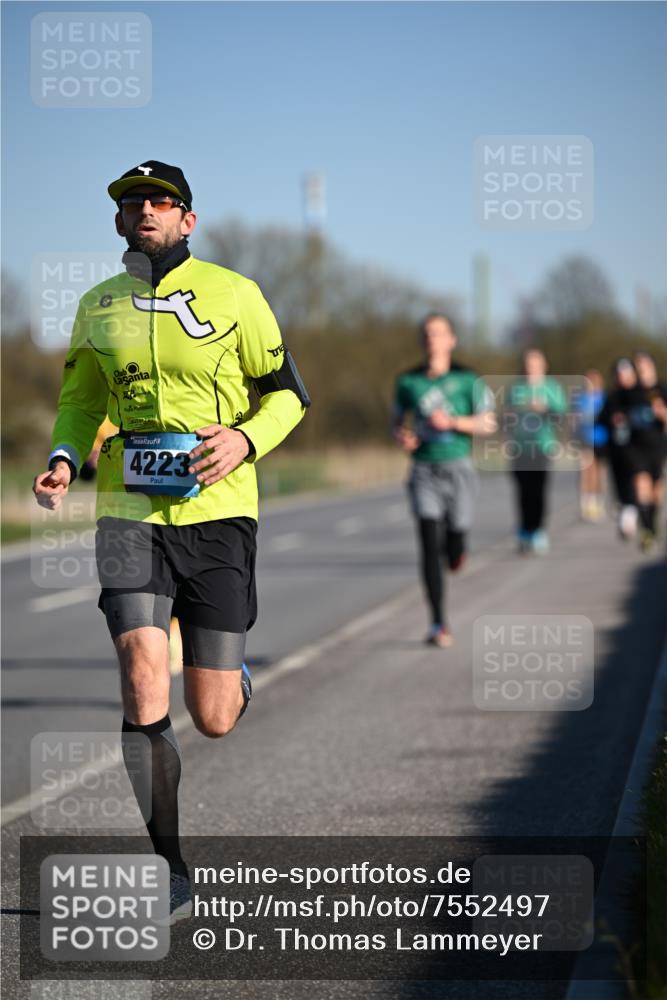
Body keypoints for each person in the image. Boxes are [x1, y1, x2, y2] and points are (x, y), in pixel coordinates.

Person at [32, 161, 309, 919]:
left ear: (188, 219)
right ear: (119, 223)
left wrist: (246, 442)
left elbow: (289, 395)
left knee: (213, 715)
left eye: (161, 201)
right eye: (131, 202)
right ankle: (171, 867)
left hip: (218, 510)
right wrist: (63, 456)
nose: (145, 209)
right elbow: (80, 401)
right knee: (140, 665)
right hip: (128, 506)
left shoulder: (237, 295)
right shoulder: (98, 305)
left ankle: (233, 677)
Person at [392, 314, 495, 648]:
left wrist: (451, 422)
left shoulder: (469, 380)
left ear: (451, 340)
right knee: (427, 542)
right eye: (426, 334)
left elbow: (488, 423)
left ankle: (458, 549)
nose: (431, 339)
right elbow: (398, 423)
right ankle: (438, 621)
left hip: (458, 468)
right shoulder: (408, 381)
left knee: (454, 543)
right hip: (424, 470)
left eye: (438, 333)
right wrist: (403, 436)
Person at [506, 349, 567, 554]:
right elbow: (507, 417)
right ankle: (524, 530)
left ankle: (539, 530)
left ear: (543, 366)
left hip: (542, 446)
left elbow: (561, 416)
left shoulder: (552, 387)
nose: (530, 368)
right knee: (522, 491)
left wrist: (544, 408)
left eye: (535, 364)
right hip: (520, 448)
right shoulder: (516, 388)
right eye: (527, 364)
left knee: (539, 491)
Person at [596, 359, 639, 540]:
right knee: (620, 485)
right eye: (619, 375)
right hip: (616, 450)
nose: (622, 378)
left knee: (635, 484)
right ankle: (627, 511)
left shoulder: (640, 395)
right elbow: (600, 422)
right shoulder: (611, 397)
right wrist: (600, 448)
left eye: (626, 374)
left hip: (638, 449)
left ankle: (632, 515)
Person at [629, 351, 667, 550]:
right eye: (637, 366)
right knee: (640, 486)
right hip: (636, 447)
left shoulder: (661, 389)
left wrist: (662, 413)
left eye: (643, 365)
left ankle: (653, 524)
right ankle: (646, 530)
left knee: (656, 492)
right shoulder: (631, 392)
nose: (640, 370)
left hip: (658, 445)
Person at [574, 368, 608, 521]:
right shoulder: (580, 399)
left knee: (599, 472)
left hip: (601, 439)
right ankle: (585, 502)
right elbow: (574, 420)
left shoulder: (604, 398)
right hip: (584, 439)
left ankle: (597, 501)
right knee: (585, 471)